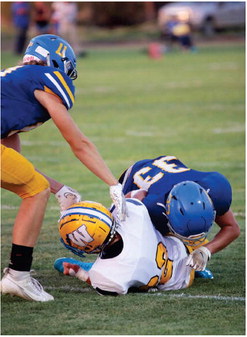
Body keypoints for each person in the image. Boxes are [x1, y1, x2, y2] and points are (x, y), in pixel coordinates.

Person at [1, 34, 127, 302]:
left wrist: (60, 189)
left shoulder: (12, 89)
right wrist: (112, 183)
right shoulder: (45, 78)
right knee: (36, 191)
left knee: (35, 187)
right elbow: (77, 142)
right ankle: (18, 276)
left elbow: (16, 167)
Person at [118, 155, 240, 272]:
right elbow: (130, 201)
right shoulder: (153, 207)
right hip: (135, 176)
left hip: (171, 169)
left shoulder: (215, 192)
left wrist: (205, 251)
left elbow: (231, 228)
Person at [54, 200, 195, 295]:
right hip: (183, 249)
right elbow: (137, 195)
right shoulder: (132, 212)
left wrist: (80, 273)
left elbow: (103, 285)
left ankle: (86, 266)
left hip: (177, 282)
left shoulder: (103, 275)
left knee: (130, 279)